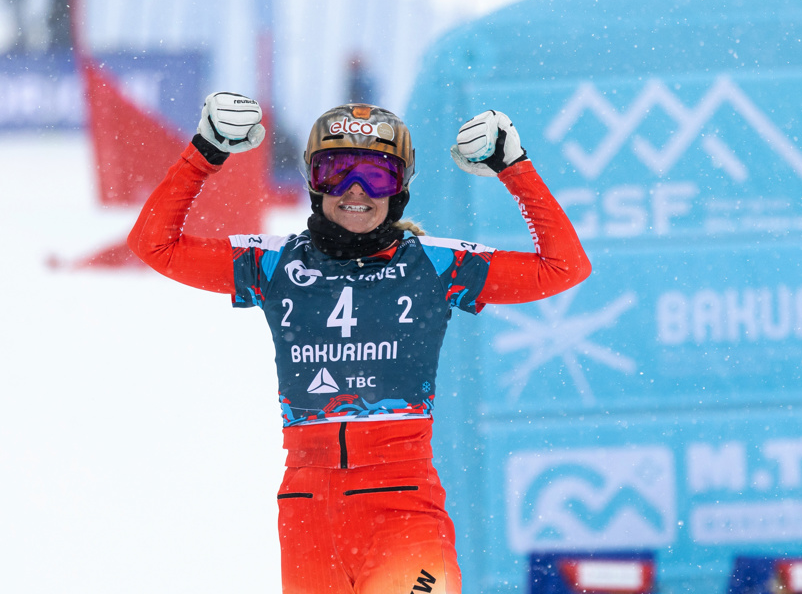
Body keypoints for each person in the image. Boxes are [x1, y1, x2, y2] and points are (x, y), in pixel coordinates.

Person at [128, 92, 591, 594]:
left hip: (403, 508)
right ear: (313, 182)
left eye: (377, 176)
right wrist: (205, 151)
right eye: (336, 171)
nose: (356, 190)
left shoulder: (435, 265)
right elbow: (155, 244)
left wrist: (513, 167)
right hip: (307, 513)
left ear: (400, 190)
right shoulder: (275, 264)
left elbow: (564, 267)